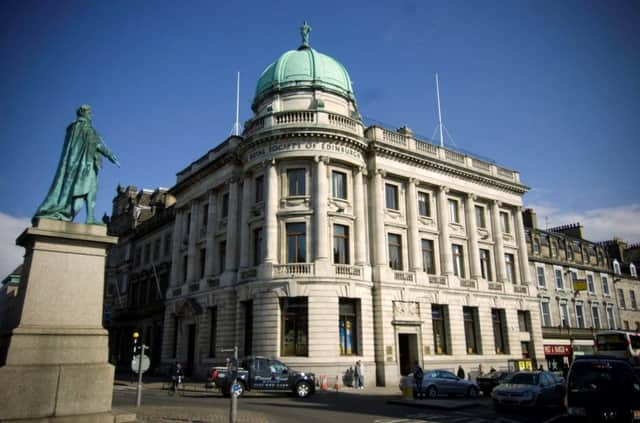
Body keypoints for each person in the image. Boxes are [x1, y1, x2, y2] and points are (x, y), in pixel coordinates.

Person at [33, 104, 119, 225]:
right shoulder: (85, 127)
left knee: (90, 190)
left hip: (81, 163)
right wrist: (111, 156)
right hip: (85, 164)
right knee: (90, 189)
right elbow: (96, 144)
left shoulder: (75, 127)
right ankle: (85, 216)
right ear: (85, 113)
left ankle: (89, 217)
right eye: (90, 113)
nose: (91, 115)